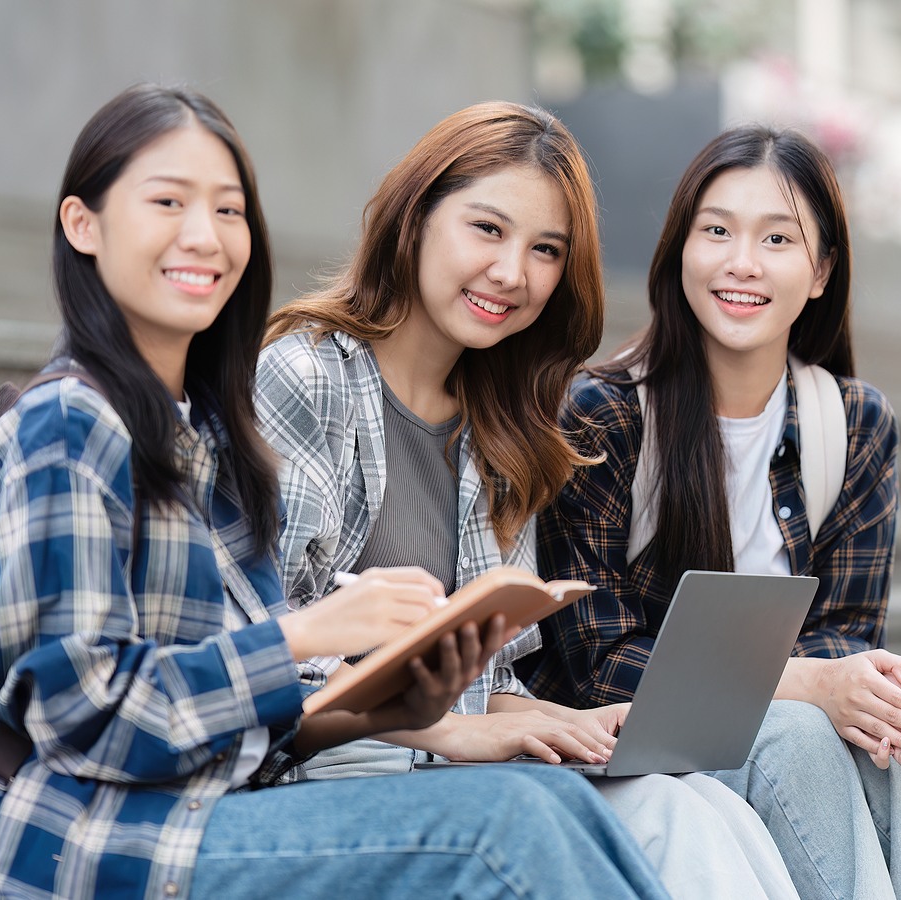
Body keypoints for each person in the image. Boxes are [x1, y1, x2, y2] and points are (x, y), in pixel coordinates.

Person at [0, 83, 669, 900]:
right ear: (83, 224)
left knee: (559, 806)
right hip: (94, 845)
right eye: (168, 202)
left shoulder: (195, 426)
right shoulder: (65, 424)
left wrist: (416, 716)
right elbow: (83, 720)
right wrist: (311, 637)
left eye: (230, 211)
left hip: (214, 806)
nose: (203, 236)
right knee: (508, 828)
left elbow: (252, 723)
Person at [256, 101, 797, 900]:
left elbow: (493, 677)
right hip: (327, 788)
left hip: (447, 771)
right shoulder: (308, 378)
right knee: (665, 824)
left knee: (701, 808)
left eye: (546, 250)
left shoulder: (501, 432)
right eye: (487, 229)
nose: (514, 273)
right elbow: (269, 654)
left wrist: (560, 721)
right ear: (415, 217)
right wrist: (457, 731)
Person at [525, 125, 901, 900]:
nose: (741, 262)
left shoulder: (851, 424)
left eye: (777, 238)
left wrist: (870, 693)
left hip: (778, 741)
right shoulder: (604, 417)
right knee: (804, 732)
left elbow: (845, 633)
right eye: (716, 231)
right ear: (680, 248)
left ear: (820, 272)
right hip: (618, 745)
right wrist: (806, 683)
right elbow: (593, 666)